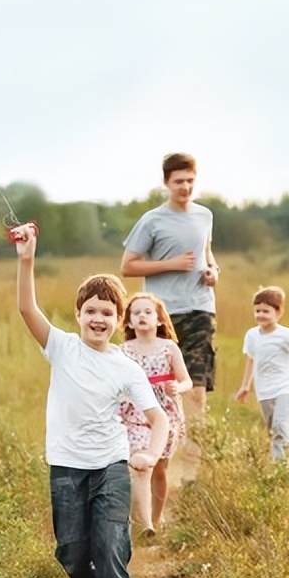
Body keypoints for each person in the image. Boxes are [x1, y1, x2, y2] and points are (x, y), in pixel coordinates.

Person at [12, 222, 169, 578]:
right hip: (65, 465)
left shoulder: (126, 367)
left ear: (121, 321)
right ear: (78, 314)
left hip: (111, 464)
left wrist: (149, 456)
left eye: (107, 313)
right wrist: (26, 260)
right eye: (91, 311)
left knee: (113, 543)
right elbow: (28, 310)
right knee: (72, 552)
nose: (98, 319)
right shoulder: (62, 348)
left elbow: (159, 419)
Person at [120, 153, 220, 421]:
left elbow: (206, 252)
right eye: (179, 182)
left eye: (190, 181)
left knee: (196, 390)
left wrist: (213, 271)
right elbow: (128, 266)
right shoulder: (152, 221)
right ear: (167, 182)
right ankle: (160, 446)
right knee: (159, 389)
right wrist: (171, 264)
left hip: (201, 309)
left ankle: (193, 462)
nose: (185, 187)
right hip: (162, 314)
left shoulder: (204, 216)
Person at [118, 292, 192, 535]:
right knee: (141, 466)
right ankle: (145, 525)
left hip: (166, 413)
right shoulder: (123, 351)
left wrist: (177, 387)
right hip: (135, 414)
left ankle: (156, 518)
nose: (142, 316)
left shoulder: (169, 348)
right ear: (128, 322)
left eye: (147, 312)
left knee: (159, 469)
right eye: (136, 313)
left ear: (159, 320)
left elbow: (186, 381)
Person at [234, 285, 289, 461]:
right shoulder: (252, 336)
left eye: (265, 311)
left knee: (280, 426)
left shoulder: (286, 335)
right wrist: (245, 385)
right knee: (273, 429)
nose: (260, 315)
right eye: (257, 311)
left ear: (278, 312)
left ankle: (280, 466)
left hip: (285, 388)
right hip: (264, 390)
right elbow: (251, 360)